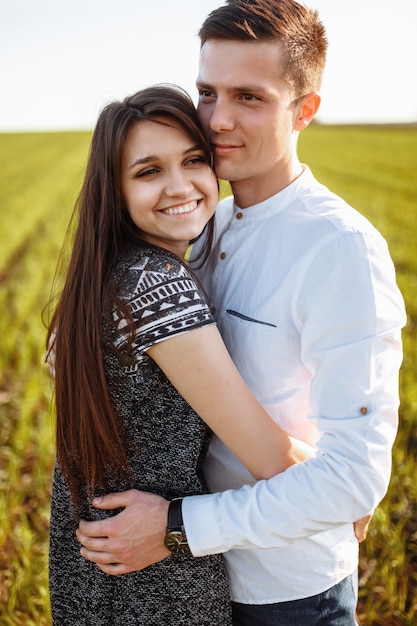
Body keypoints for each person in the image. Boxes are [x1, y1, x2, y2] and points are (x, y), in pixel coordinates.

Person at [76, 1, 406, 624]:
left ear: (304, 109)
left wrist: (178, 527)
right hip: (193, 587)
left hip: (286, 592)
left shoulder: (339, 249)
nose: (218, 120)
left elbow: (354, 481)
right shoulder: (206, 225)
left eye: (249, 97)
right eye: (207, 92)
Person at [46, 83, 317, 625]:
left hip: (96, 574)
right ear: (115, 190)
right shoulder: (156, 283)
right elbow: (270, 459)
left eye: (193, 161)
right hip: (154, 582)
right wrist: (347, 487)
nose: (180, 186)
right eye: (148, 171)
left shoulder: (107, 274)